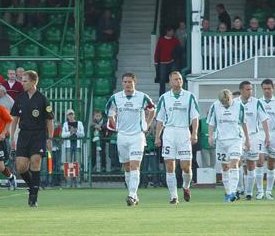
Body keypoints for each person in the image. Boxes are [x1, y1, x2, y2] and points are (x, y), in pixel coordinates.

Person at [105, 72, 156, 206]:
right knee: (127, 167)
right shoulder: (115, 98)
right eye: (125, 82)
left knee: (135, 165)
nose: (127, 84)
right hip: (122, 136)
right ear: (122, 83)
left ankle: (132, 195)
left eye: (130, 82)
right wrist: (116, 127)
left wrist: (147, 125)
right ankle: (133, 194)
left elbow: (152, 109)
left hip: (137, 136)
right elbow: (110, 114)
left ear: (135, 82)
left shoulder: (142, 97)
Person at [10, 71, 54, 207]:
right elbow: (14, 119)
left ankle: (33, 197)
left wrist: (50, 138)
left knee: (35, 162)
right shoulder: (20, 98)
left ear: (34, 82)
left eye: (25, 81)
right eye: (22, 81)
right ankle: (32, 186)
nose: (22, 83)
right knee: (21, 166)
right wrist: (12, 137)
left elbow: (50, 120)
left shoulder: (42, 99)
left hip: (38, 134)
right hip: (23, 135)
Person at [154, 71, 199, 204]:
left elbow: (195, 117)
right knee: (169, 164)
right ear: (170, 82)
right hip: (169, 132)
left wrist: (194, 133)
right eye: (175, 79)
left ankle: (186, 186)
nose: (178, 81)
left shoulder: (190, 96)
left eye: (179, 79)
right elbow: (160, 119)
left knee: (186, 167)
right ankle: (174, 196)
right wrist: (157, 136)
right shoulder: (164, 98)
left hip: (184, 131)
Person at [207, 89, 249, 202]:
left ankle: (234, 192)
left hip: (236, 139)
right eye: (223, 102)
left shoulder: (239, 106)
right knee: (225, 167)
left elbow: (244, 123)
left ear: (231, 98)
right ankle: (228, 192)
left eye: (227, 101)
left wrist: (247, 139)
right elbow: (211, 123)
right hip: (221, 140)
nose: (225, 103)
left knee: (234, 163)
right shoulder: (215, 106)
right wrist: (210, 136)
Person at [236, 81, 269, 200]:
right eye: (247, 89)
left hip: (254, 136)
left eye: (251, 89)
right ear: (241, 90)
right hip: (239, 137)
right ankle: (238, 189)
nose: (250, 91)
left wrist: (267, 136)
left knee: (251, 164)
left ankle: (249, 192)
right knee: (237, 162)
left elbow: (264, 119)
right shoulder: (234, 102)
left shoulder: (256, 102)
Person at [60, 109, 85, 188]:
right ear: (67, 116)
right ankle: (68, 182)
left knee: (77, 164)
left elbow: (83, 134)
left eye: (72, 114)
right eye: (69, 115)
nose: (71, 116)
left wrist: (76, 131)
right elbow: (63, 135)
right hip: (68, 145)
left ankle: (78, 182)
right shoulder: (65, 124)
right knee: (68, 164)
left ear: (74, 115)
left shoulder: (79, 123)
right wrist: (70, 133)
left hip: (77, 145)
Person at [154, 27, 181, 96]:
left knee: (174, 78)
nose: (173, 33)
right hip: (163, 62)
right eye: (171, 31)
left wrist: (175, 57)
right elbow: (157, 51)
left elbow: (179, 49)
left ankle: (175, 93)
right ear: (168, 32)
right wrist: (156, 61)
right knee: (162, 79)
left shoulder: (175, 40)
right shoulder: (161, 40)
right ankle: (162, 95)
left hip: (172, 62)